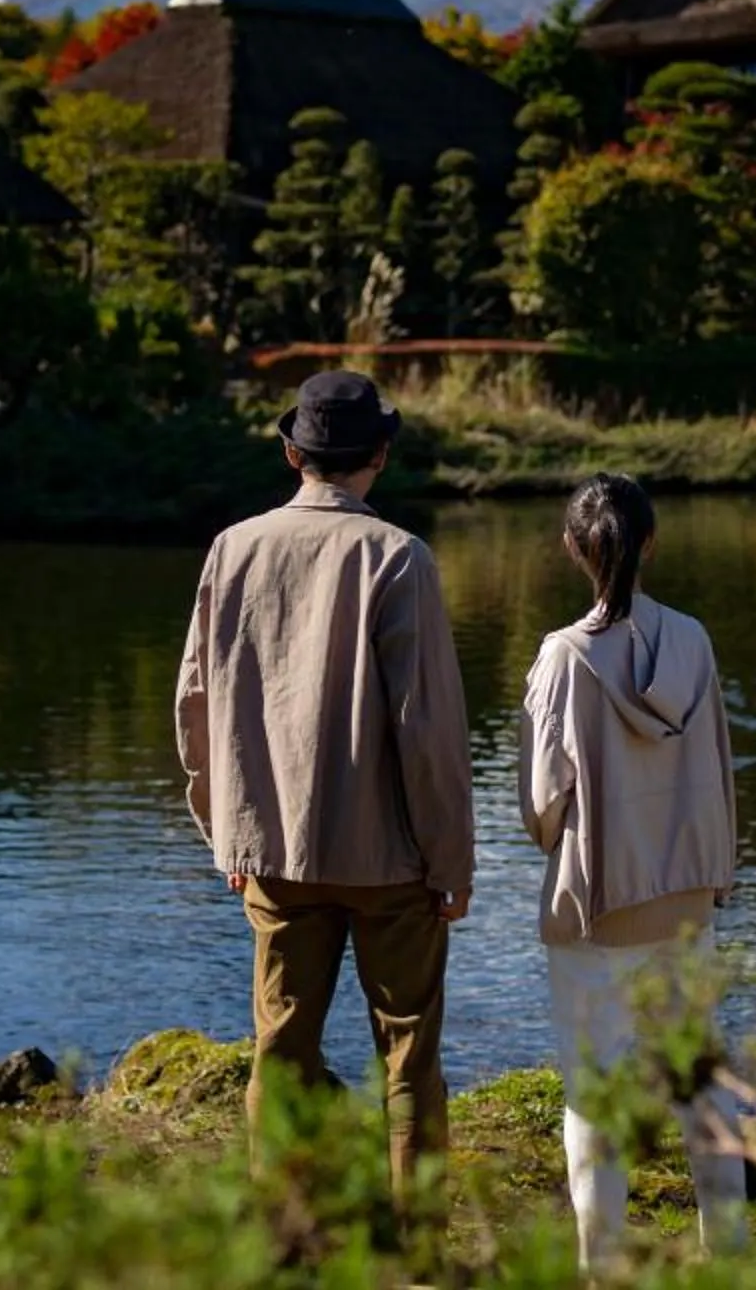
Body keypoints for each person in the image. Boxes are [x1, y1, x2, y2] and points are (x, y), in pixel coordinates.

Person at [174, 370, 475, 1201]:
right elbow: (431, 736)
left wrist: (225, 835)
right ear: (379, 455)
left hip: (271, 852)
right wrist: (452, 863)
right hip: (391, 863)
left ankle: (284, 1238)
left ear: (291, 453)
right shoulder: (399, 557)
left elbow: (194, 708)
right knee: (410, 1056)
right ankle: (419, 1247)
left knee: (282, 1050)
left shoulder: (232, 548)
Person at [520, 472, 747, 1270]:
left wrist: (556, 835)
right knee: (700, 1079)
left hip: (601, 902)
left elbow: (544, 800)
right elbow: (719, 762)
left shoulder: (562, 656)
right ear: (651, 543)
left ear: (574, 549)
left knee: (595, 1088)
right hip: (688, 893)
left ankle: (604, 1266)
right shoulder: (692, 638)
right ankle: (730, 1250)